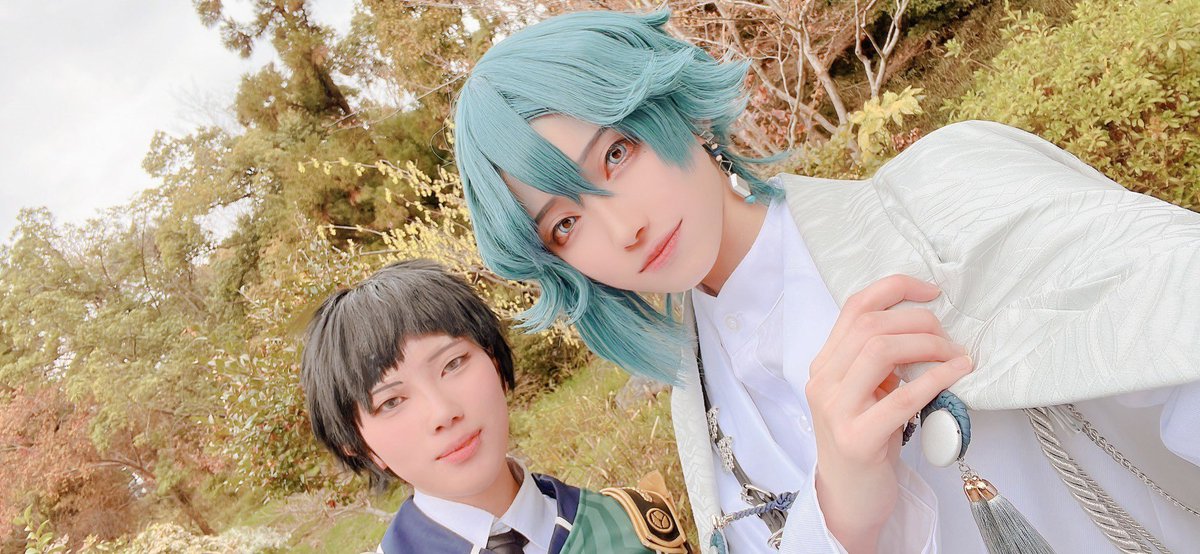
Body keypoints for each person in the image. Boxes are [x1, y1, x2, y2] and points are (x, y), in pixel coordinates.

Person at [450, 9, 1200, 553]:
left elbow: (1170, 313)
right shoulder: (694, 401)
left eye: (616, 153)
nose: (623, 229)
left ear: (673, 107)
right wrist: (841, 511)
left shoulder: (944, 195)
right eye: (564, 224)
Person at [299, 259, 694, 554]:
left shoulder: (632, 528)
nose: (443, 412)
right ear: (359, 444)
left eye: (453, 364)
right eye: (392, 402)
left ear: (496, 363)